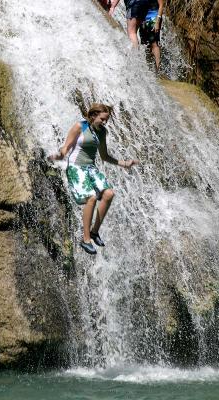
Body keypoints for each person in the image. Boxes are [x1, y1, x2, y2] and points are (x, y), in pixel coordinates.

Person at [49, 104, 139, 255]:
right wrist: (58, 156)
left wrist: (124, 163)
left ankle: (94, 232)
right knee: (91, 198)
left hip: (91, 168)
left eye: (107, 120)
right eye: (102, 119)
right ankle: (86, 240)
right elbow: (66, 147)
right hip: (76, 167)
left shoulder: (102, 132)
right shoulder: (80, 126)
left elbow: (104, 156)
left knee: (109, 194)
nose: (104, 122)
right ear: (93, 116)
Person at [139, 0, 164, 71]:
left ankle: (157, 68)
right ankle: (149, 68)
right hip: (143, 19)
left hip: (154, 18)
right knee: (145, 44)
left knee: (154, 43)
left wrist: (157, 22)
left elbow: (161, 5)